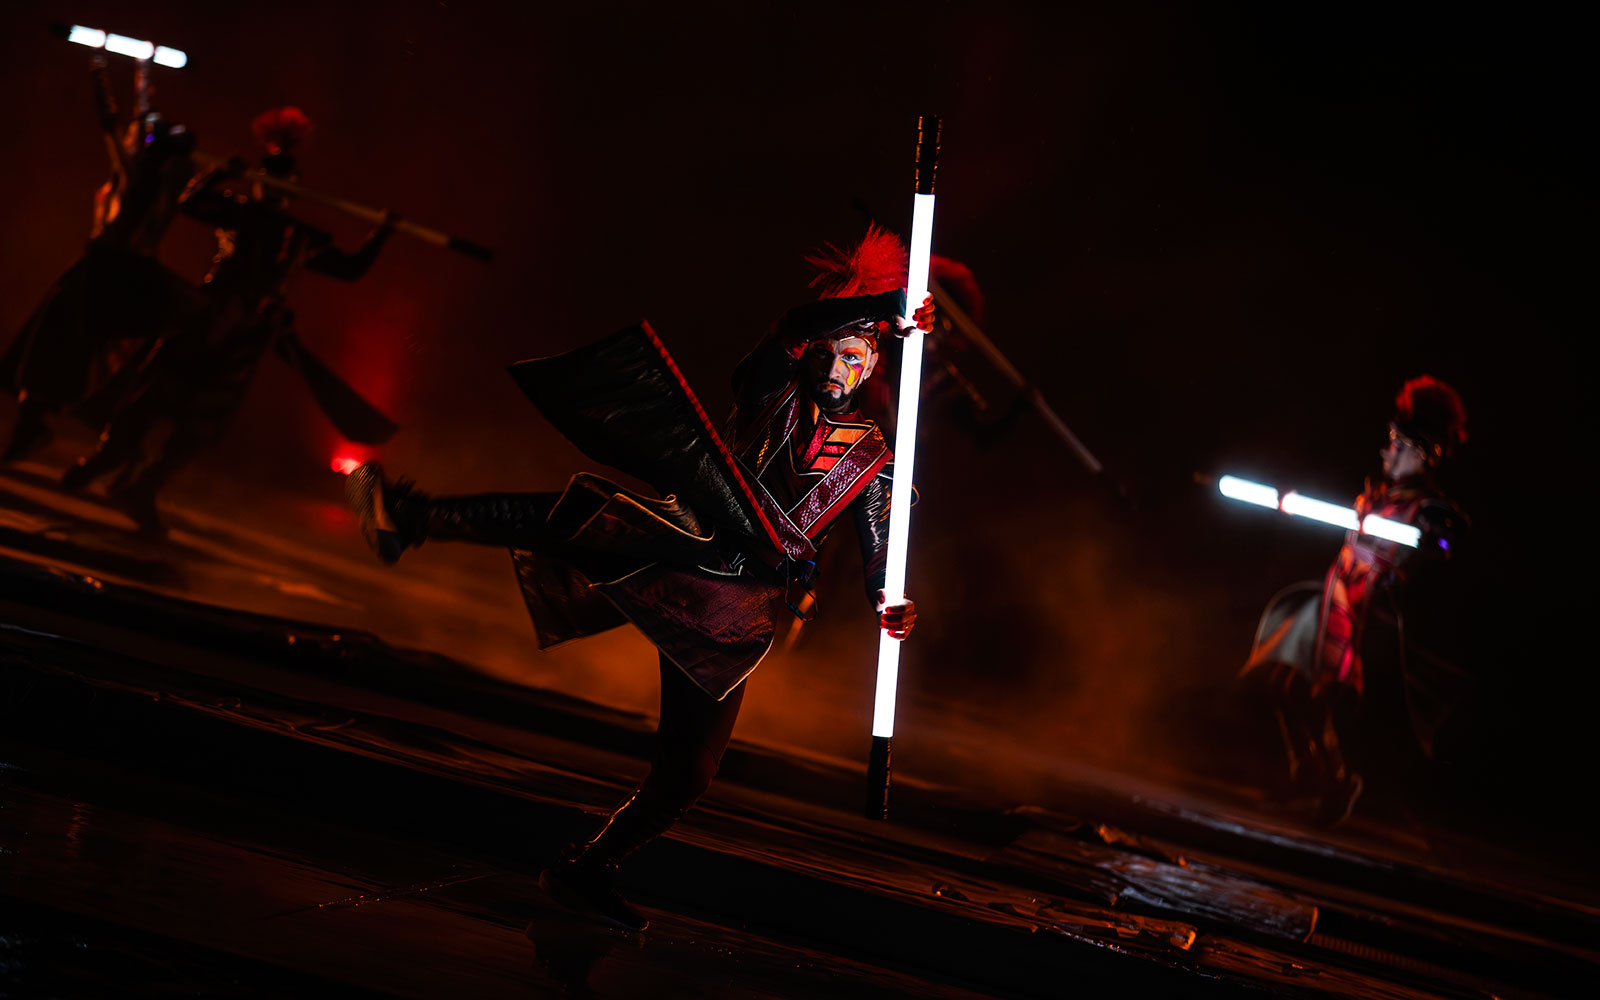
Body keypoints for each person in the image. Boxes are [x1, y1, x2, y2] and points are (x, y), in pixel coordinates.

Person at [346, 225, 931, 930]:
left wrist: (886, 602)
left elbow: (876, 552)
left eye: (857, 354)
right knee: (580, 523)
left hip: (734, 610)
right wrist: (892, 300)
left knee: (690, 773)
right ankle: (408, 516)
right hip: (687, 544)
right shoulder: (770, 389)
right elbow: (790, 326)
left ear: (872, 367)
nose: (840, 363)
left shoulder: (873, 461)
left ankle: (587, 867)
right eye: (834, 349)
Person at [60, 107, 397, 527]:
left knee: (203, 423)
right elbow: (191, 203)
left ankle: (144, 486)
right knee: (150, 397)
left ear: (290, 189)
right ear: (259, 184)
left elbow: (349, 270)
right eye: (266, 180)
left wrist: (380, 233)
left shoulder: (299, 236)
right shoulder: (236, 211)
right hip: (205, 316)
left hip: (247, 336)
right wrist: (220, 175)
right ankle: (103, 461)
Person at [1242, 376, 1469, 825]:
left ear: (1420, 453)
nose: (1387, 452)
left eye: (1396, 445)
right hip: (1336, 603)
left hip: (1370, 621)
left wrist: (1431, 539)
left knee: (1326, 697)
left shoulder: (1426, 510)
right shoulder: (1374, 498)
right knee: (1283, 688)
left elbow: (1447, 539)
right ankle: (1311, 774)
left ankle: (1338, 781)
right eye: (1389, 443)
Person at [1, 57, 200, 463]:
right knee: (56, 350)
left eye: (144, 136)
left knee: (53, 348)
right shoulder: (162, 179)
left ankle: (38, 426)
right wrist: (144, 73)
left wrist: (97, 71)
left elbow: (110, 120)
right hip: (111, 271)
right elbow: (141, 117)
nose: (135, 134)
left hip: (103, 271)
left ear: (150, 148)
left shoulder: (137, 177)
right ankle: (33, 427)